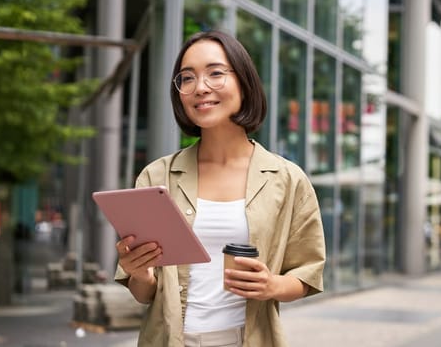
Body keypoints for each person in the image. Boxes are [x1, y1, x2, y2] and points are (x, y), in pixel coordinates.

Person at [113, 30, 326, 347]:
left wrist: (271, 286)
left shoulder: (287, 178)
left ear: (243, 82)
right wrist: (139, 274)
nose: (200, 88)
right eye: (187, 78)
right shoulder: (157, 176)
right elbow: (144, 295)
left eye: (215, 73)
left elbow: (308, 272)